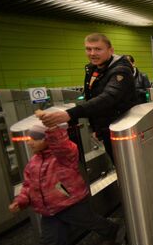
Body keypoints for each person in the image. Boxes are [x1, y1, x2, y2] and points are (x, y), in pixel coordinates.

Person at [9, 120, 119, 245]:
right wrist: (21, 201)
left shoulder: (64, 155)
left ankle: (110, 229)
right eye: (29, 139)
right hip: (50, 213)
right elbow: (28, 187)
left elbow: (62, 144)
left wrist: (51, 129)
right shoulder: (33, 164)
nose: (30, 143)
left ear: (47, 139)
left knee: (91, 221)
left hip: (71, 203)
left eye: (34, 139)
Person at [40, 33, 138, 162]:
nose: (92, 53)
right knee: (119, 164)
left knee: (128, 164)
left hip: (122, 128)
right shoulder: (92, 69)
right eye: (88, 49)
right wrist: (95, 128)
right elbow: (91, 96)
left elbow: (109, 97)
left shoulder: (121, 70)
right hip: (105, 127)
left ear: (111, 50)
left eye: (98, 49)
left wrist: (70, 114)